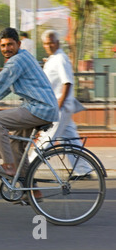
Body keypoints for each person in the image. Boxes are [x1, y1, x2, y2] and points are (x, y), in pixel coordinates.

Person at [0, 27, 59, 177]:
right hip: (40, 107)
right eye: (3, 46)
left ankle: (8, 166)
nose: (6, 49)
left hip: (40, 108)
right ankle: (30, 190)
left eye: (10, 44)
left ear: (18, 44)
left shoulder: (17, 61)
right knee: (16, 146)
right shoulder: (22, 57)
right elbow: (2, 88)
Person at [28, 30, 89, 175]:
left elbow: (66, 82)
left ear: (57, 43)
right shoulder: (53, 58)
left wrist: (58, 106)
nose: (48, 45)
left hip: (59, 106)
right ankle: (83, 170)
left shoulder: (60, 58)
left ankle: (27, 169)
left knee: (46, 139)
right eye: (46, 43)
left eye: (51, 42)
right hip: (60, 106)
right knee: (70, 139)